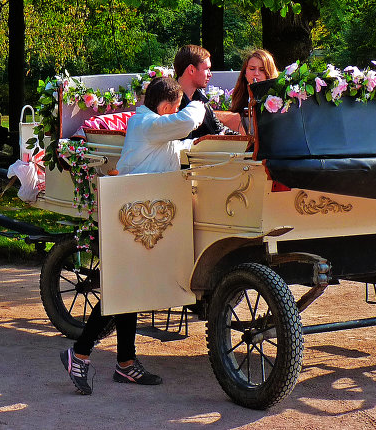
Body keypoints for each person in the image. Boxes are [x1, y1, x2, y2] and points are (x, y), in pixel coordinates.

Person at [61, 77, 205, 395]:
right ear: (166, 108)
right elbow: (186, 123)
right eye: (176, 107)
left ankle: (124, 364)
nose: (178, 112)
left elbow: (178, 144)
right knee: (122, 290)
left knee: (130, 291)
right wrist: (200, 103)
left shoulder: (151, 128)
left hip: (139, 213)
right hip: (131, 213)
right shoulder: (147, 123)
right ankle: (80, 353)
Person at [173, 44, 229, 139]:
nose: (210, 74)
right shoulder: (168, 100)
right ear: (191, 70)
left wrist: (245, 141)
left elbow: (219, 130)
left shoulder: (201, 98)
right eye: (207, 69)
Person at [228, 48, 279, 114]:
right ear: (245, 73)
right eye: (252, 69)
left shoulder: (278, 98)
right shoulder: (239, 95)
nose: (256, 73)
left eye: (262, 70)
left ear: (270, 73)